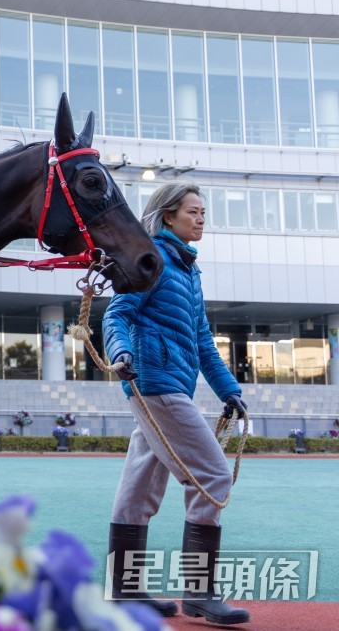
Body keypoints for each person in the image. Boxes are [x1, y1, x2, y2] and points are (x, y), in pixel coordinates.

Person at [102, 184, 249, 625]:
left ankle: (124, 591)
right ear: (168, 217)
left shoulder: (188, 270)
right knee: (213, 474)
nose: (202, 218)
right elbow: (117, 314)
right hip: (154, 381)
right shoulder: (152, 260)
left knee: (138, 489)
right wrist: (120, 352)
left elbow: (202, 341)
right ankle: (200, 594)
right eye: (193, 211)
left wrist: (230, 391)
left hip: (169, 385)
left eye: (205, 212)